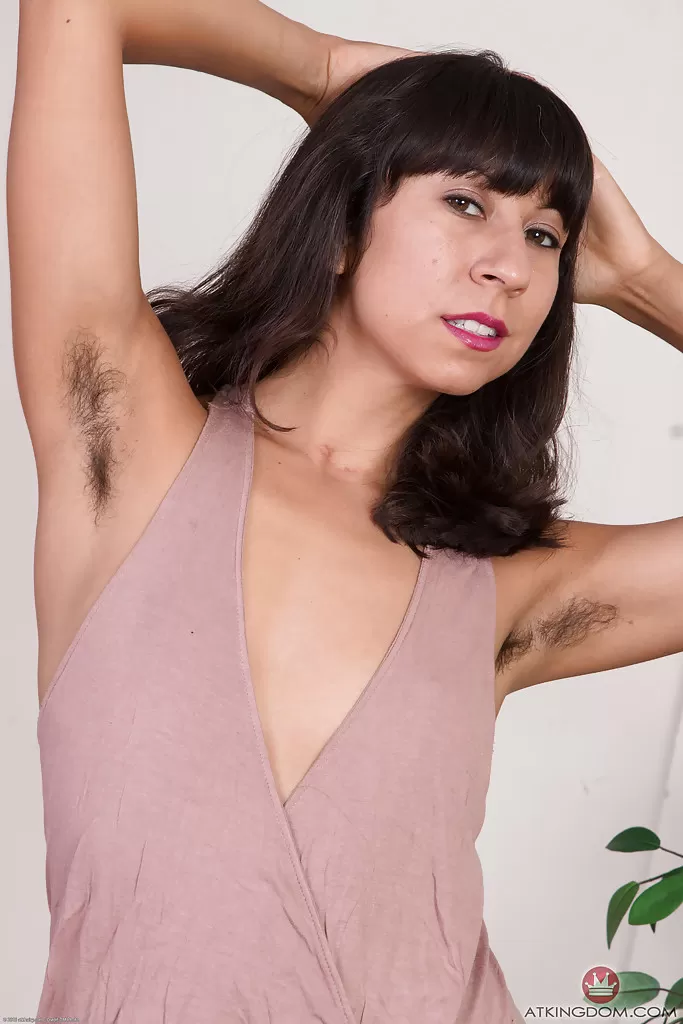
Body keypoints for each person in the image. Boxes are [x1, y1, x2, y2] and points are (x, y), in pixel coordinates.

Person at [6, 0, 683, 1020]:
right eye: (465, 203)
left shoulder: (508, 592)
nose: (508, 266)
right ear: (340, 224)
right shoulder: (124, 445)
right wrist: (321, 71)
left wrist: (640, 276)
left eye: (544, 235)